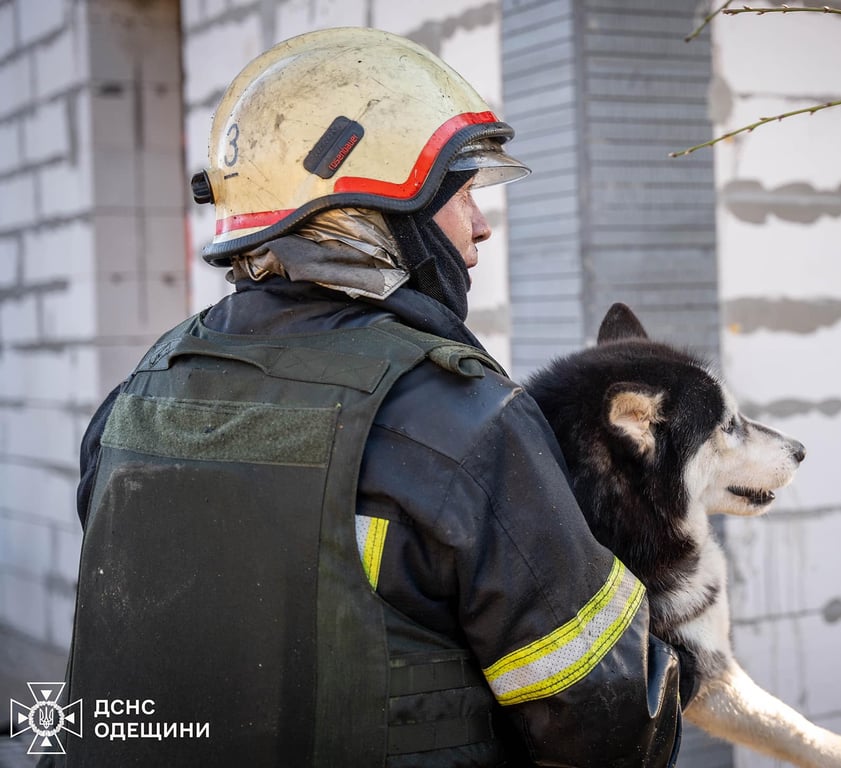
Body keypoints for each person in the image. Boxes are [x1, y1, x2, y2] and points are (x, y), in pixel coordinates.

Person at [56, 27, 689, 767]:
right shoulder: (460, 420)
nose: (480, 226)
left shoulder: (139, 395)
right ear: (376, 214)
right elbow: (608, 729)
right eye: (459, 196)